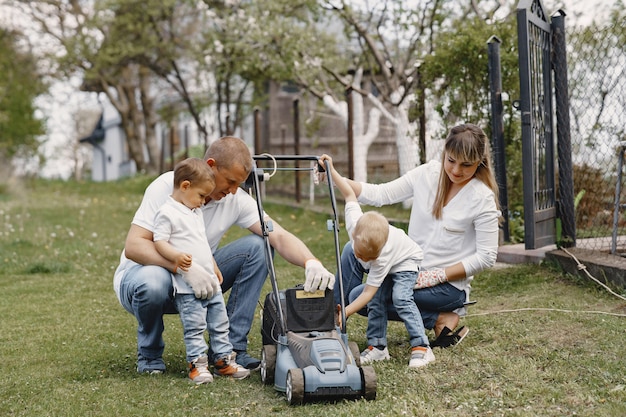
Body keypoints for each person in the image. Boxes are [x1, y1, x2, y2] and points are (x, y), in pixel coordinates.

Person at [113, 136, 335, 374]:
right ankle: (149, 355)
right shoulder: (170, 186)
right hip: (146, 281)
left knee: (259, 247)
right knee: (153, 281)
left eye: (238, 184)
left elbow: (278, 235)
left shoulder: (235, 198)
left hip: (201, 284)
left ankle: (230, 351)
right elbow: (135, 246)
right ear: (211, 165)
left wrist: (311, 261)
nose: (232, 191)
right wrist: (183, 267)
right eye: (229, 181)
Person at [336, 123, 501, 359]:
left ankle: (439, 318)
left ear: (479, 162)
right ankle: (330, 324)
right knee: (351, 250)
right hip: (408, 270)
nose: (455, 170)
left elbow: (486, 256)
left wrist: (438, 275)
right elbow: (382, 194)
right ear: (444, 153)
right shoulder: (428, 174)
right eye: (451, 160)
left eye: (466, 165)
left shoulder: (482, 197)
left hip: (447, 286)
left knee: (360, 298)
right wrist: (334, 178)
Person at [319, 154, 434, 368]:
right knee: (377, 301)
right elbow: (348, 192)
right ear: (354, 237)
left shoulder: (382, 257)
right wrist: (331, 170)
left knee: (400, 298)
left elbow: (368, 292)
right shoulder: (356, 224)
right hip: (388, 255)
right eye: (361, 255)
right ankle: (378, 347)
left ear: (379, 252)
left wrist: (346, 312)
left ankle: (422, 347)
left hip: (405, 261)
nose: (363, 260)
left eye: (370, 258)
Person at [153, 157, 249, 383]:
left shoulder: (194, 211)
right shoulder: (167, 212)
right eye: (201, 196)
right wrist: (176, 257)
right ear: (185, 186)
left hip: (210, 281)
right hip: (188, 286)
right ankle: (197, 364)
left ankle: (223, 360)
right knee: (195, 325)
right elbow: (159, 241)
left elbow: (202, 242)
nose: (204, 201)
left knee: (220, 321)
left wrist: (213, 264)